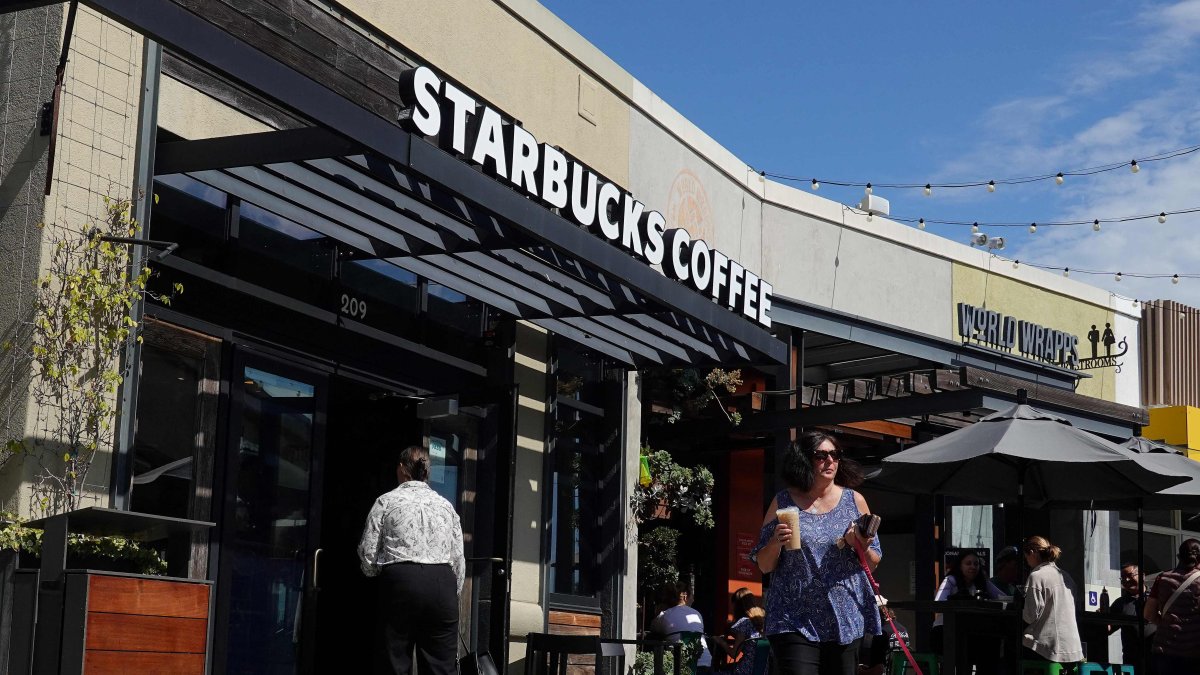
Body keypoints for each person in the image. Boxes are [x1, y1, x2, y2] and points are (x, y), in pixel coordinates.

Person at [752, 431, 882, 675]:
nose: (830, 460)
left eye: (835, 454)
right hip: (792, 616)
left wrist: (860, 544)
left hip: (844, 616)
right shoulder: (783, 501)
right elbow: (764, 565)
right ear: (803, 459)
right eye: (821, 456)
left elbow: (873, 562)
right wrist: (775, 542)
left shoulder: (854, 501)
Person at [358, 445, 465, 675]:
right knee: (441, 668)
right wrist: (448, 590)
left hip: (401, 582)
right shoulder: (446, 506)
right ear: (428, 471)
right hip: (442, 585)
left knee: (394, 664)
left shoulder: (386, 501)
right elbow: (458, 560)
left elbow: (368, 556)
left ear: (401, 469)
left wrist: (383, 571)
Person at [930, 550, 1004, 671]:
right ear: (960, 566)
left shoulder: (982, 582)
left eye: (976, 564)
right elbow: (939, 602)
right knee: (968, 647)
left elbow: (1002, 597)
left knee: (991, 643)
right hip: (945, 631)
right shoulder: (950, 580)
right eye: (968, 563)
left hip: (969, 631)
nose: (973, 567)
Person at [1021, 536, 1083, 669]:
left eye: (1026, 557)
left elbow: (1030, 616)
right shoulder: (1067, 577)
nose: (1026, 561)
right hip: (1073, 648)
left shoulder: (1036, 576)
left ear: (1032, 552)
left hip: (1047, 647)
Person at [1144, 538, 1200, 673]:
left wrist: (1166, 623)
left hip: (1165, 650)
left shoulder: (1162, 578)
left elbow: (1148, 614)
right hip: (1194, 652)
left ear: (1178, 556)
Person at [650, 581, 714, 673]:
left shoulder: (664, 616)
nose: (693, 599)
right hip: (705, 664)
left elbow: (653, 628)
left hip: (679, 667)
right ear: (685, 596)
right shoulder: (697, 614)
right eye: (692, 596)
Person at [1106, 563, 1154, 667]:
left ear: (1142, 576)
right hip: (1132, 660)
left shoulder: (1155, 597)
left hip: (1157, 657)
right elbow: (1109, 628)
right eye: (1123, 578)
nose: (1126, 580)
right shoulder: (1120, 603)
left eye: (1130, 575)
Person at [857, 606, 908, 675]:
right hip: (900, 669)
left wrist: (863, 671)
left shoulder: (881, 632)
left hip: (884, 670)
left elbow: (877, 662)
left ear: (880, 617)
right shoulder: (903, 629)